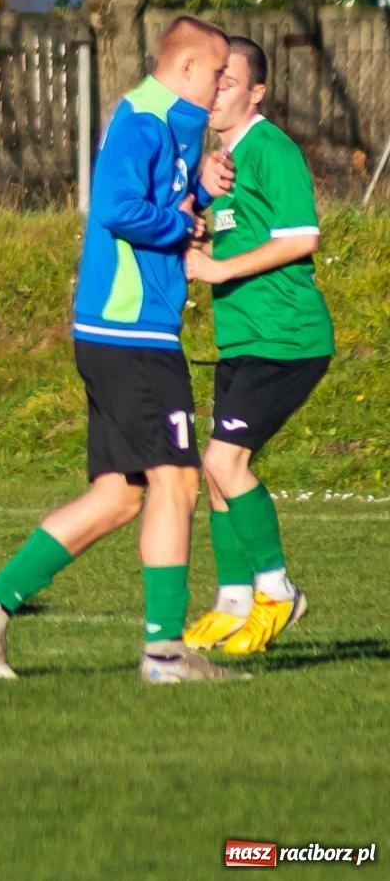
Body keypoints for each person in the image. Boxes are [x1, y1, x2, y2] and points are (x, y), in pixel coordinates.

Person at [0, 16, 243, 684]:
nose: (225, 84)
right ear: (189, 69)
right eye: (219, 72)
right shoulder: (143, 119)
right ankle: (166, 653)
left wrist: (200, 191)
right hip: (131, 333)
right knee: (179, 481)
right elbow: (116, 208)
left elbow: (164, 201)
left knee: (118, 496)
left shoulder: (169, 124)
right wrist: (183, 222)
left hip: (120, 334)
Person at [182, 36, 333, 655]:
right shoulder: (224, 164)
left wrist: (216, 269)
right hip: (243, 339)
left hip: (288, 339)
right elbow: (232, 239)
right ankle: (233, 601)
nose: (217, 93)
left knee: (225, 464)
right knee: (215, 476)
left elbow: (302, 237)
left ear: (257, 92)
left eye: (230, 82)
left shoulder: (271, 149)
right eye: (213, 80)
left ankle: (278, 592)